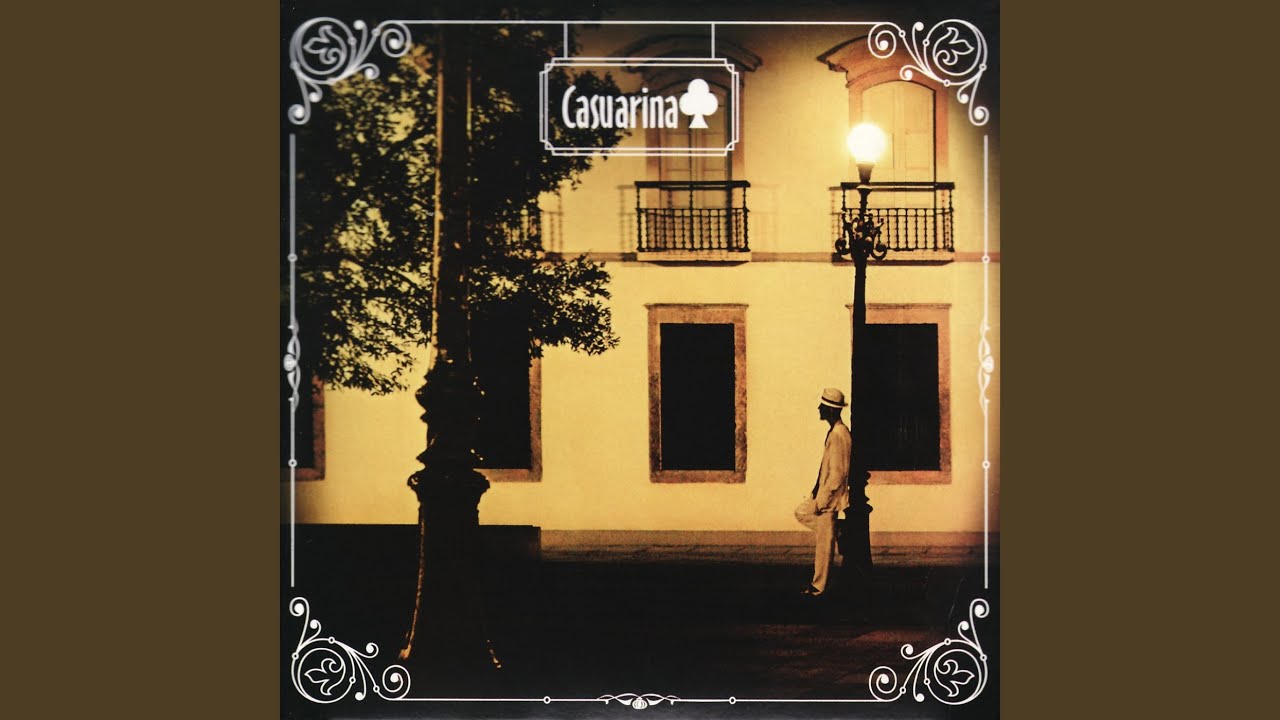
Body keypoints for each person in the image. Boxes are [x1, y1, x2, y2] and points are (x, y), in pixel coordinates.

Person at [794, 387, 852, 596]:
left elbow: (837, 474)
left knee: (824, 546)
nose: (819, 408)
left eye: (823, 406)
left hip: (830, 499)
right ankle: (839, 531)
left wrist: (822, 500)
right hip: (824, 494)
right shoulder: (836, 432)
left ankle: (818, 586)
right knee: (802, 513)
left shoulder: (838, 435)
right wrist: (815, 490)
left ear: (830, 410)